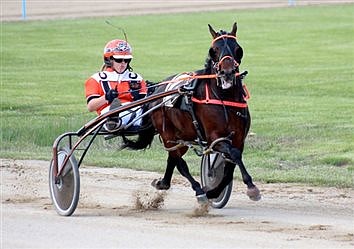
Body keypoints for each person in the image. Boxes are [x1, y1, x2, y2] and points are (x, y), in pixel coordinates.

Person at [85, 39, 147, 132]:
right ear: (109, 60)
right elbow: (91, 107)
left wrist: (152, 91)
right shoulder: (96, 79)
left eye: (126, 60)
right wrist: (106, 97)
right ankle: (113, 120)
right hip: (107, 112)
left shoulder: (136, 78)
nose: (123, 63)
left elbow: (145, 102)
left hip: (137, 112)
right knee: (117, 112)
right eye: (119, 60)